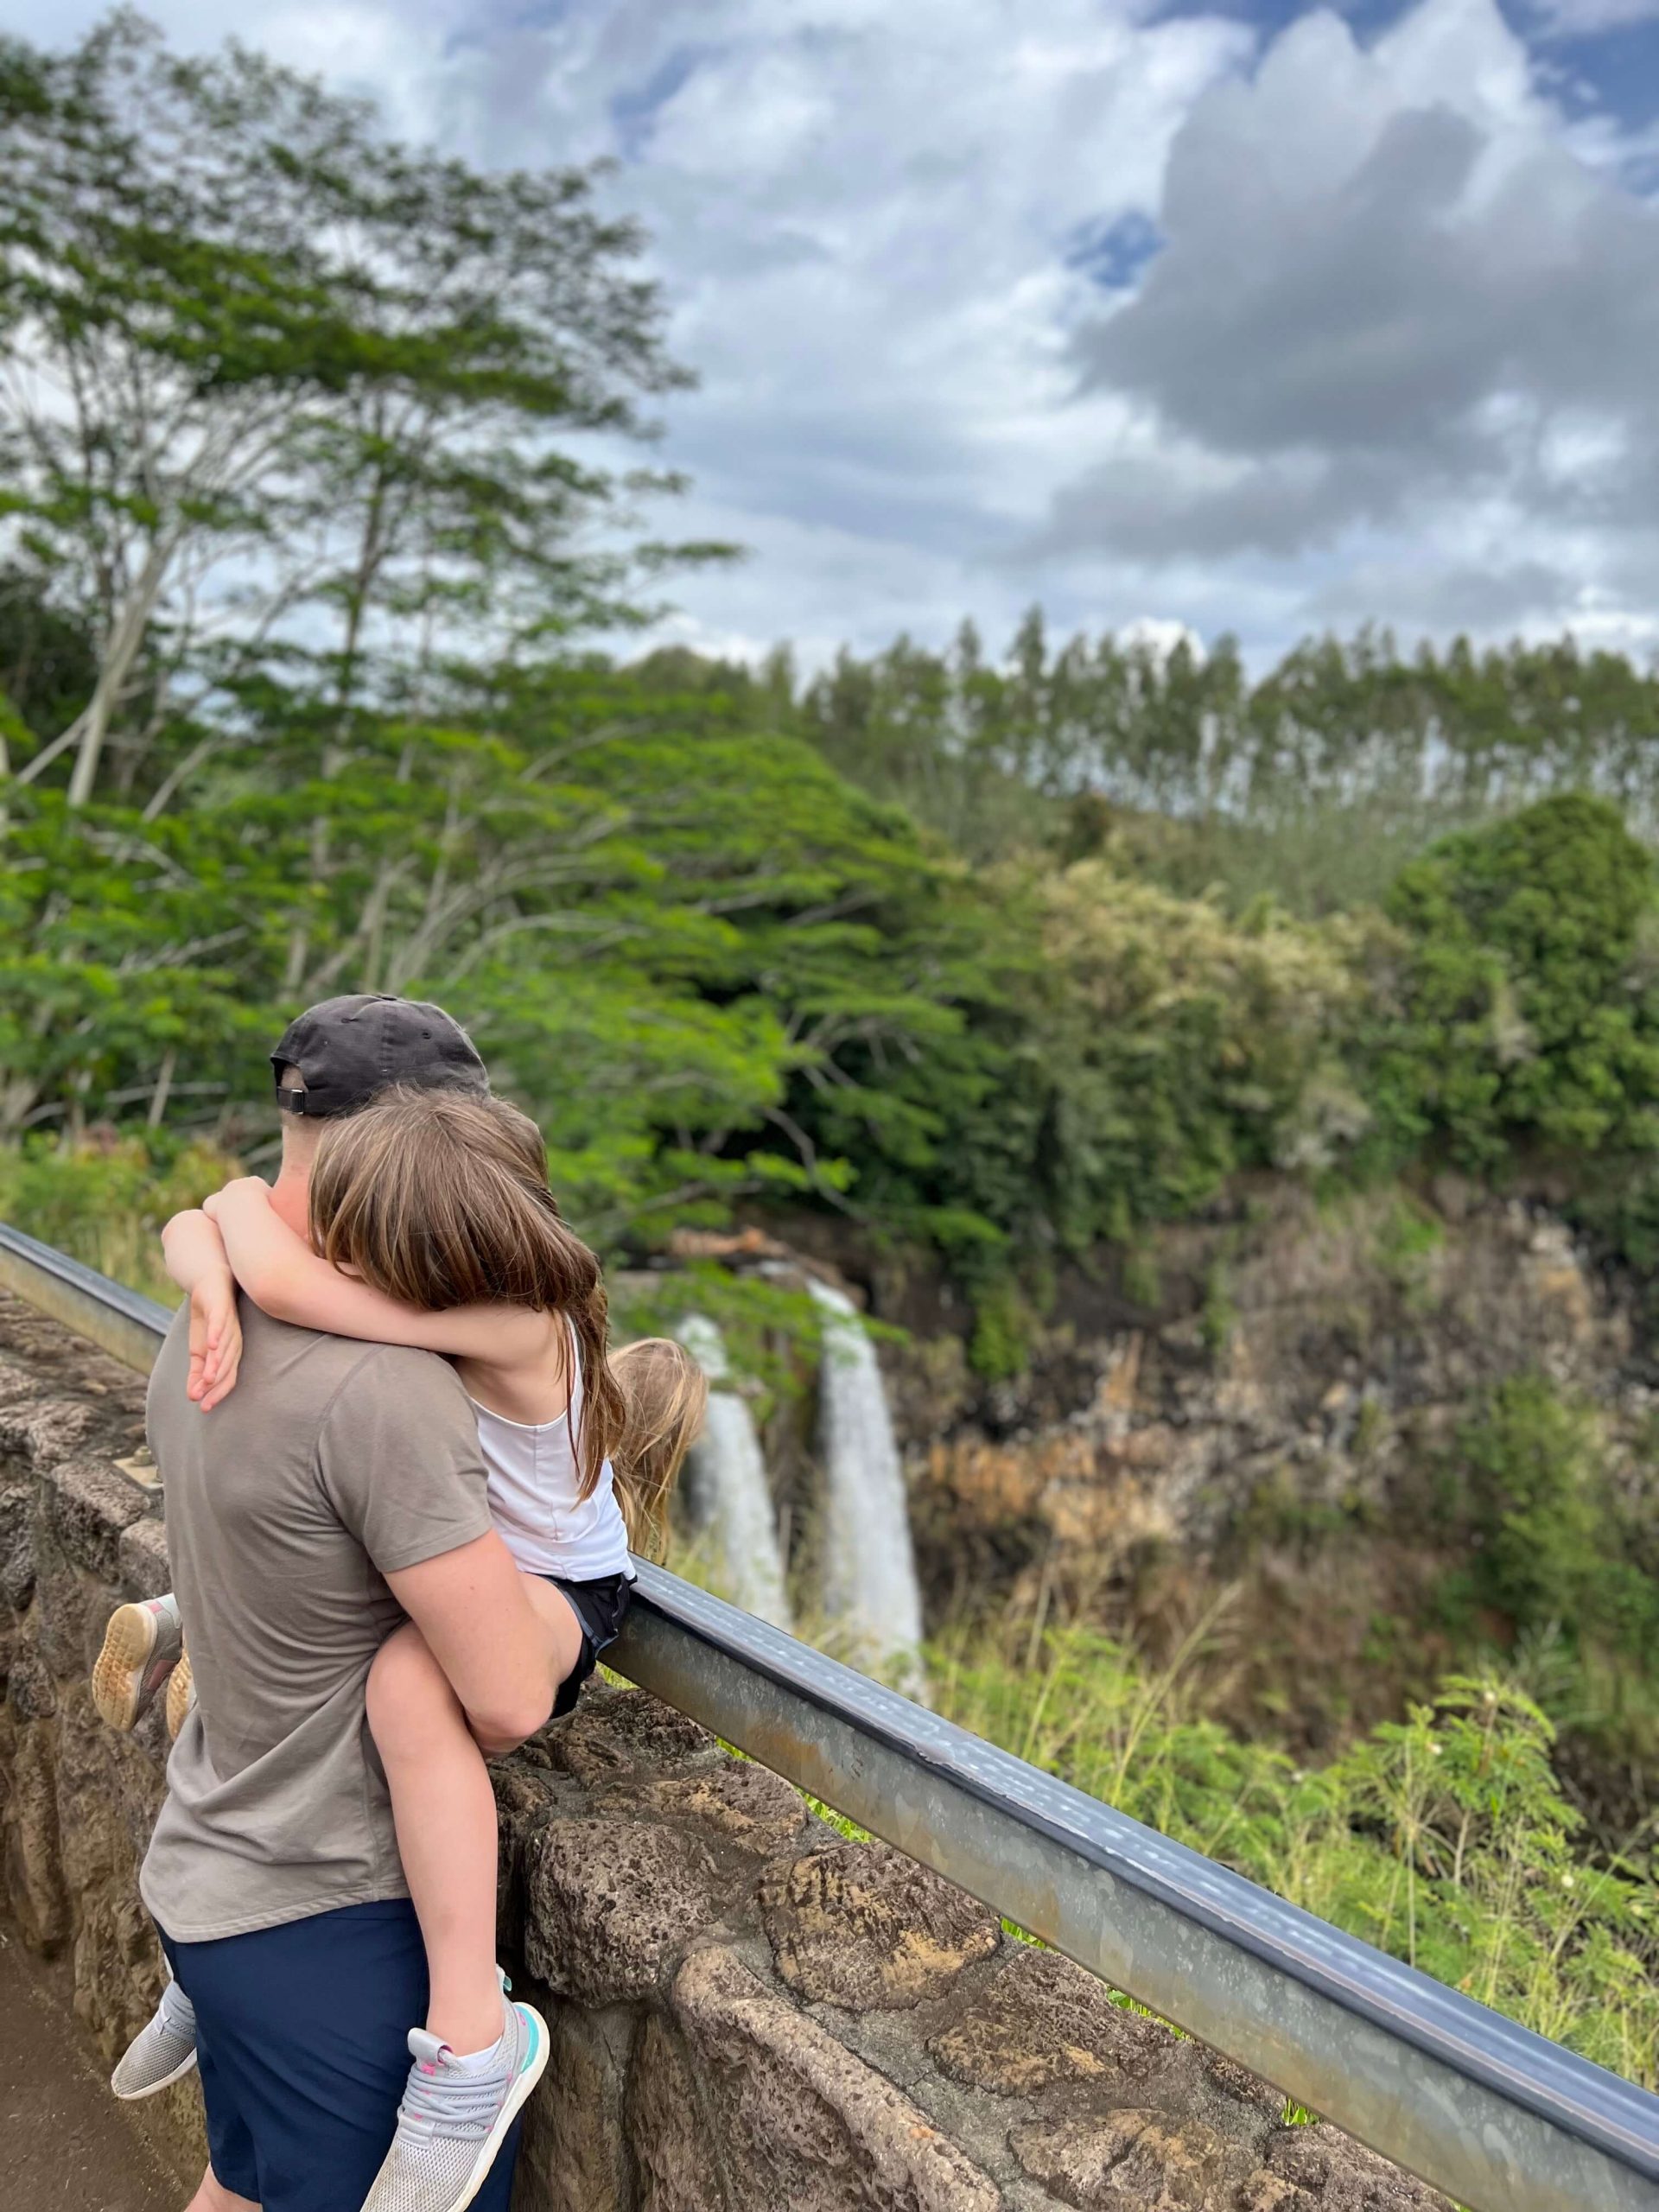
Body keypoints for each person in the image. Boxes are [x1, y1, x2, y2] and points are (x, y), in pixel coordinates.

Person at [99, 1027, 704, 2212]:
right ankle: (474, 2042)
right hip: (317, 1918)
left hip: (224, 1875)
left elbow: (263, 1254)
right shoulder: (381, 1390)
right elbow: (511, 1703)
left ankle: (201, 1972)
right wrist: (224, 1249)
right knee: (401, 1676)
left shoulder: (224, 1334)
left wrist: (216, 1252)